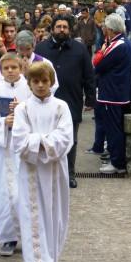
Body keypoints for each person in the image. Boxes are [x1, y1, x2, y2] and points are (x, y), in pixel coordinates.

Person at [12, 61, 73, 262]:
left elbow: (65, 136)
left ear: (51, 82)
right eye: (35, 81)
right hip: (31, 171)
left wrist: (37, 140)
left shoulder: (61, 107)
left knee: (54, 216)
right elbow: (19, 139)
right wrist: (45, 141)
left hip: (55, 171)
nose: (40, 85)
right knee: (32, 217)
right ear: (28, 83)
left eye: (44, 81)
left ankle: (50, 260)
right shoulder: (22, 109)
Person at [35, 16, 96, 189]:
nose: (62, 30)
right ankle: (47, 172)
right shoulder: (41, 49)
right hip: (45, 101)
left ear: (69, 29)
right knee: (46, 136)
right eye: (58, 26)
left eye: (65, 27)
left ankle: (69, 173)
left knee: (71, 139)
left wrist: (90, 98)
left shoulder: (79, 49)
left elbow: (89, 75)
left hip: (71, 100)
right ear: (52, 28)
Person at [0, 53, 31, 258]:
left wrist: (22, 111)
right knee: (4, 193)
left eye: (14, 67)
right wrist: (2, 123)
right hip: (4, 148)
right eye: (6, 68)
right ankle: (7, 237)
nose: (10, 71)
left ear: (21, 68)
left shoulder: (30, 90)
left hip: (23, 150)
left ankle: (28, 236)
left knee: (23, 193)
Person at [92, 14, 131, 174]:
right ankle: (116, 160)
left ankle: (117, 163)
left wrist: (101, 52)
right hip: (118, 93)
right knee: (115, 128)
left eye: (105, 28)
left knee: (113, 129)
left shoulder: (117, 45)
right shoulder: (126, 43)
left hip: (112, 94)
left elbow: (98, 65)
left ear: (109, 29)